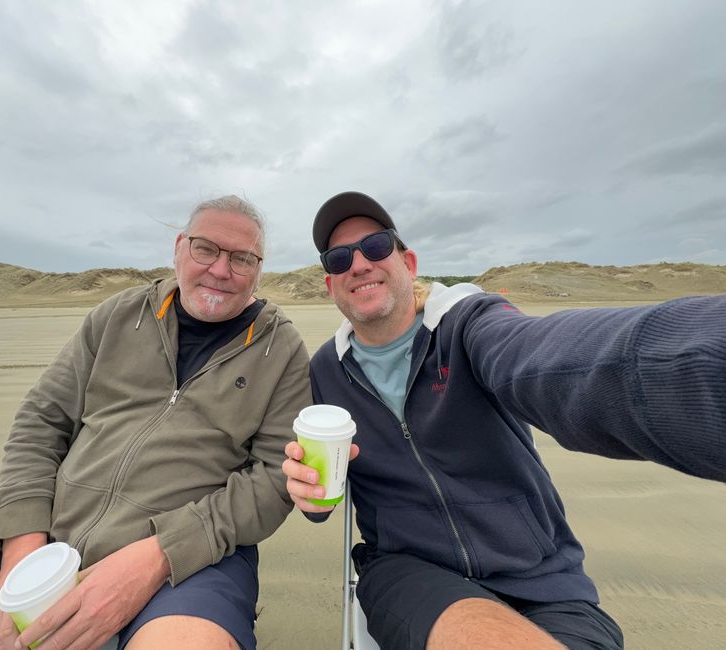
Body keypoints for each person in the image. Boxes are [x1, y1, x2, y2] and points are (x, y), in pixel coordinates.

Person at [0, 195, 312, 650]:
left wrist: (158, 555)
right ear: (179, 247)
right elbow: (41, 421)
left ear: (259, 269)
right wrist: (22, 550)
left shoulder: (283, 348)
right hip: (47, 530)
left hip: (192, 559)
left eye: (241, 258)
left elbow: (274, 478)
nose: (220, 269)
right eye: (206, 249)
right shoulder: (118, 315)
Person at [283, 191, 726, 650]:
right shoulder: (325, 372)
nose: (358, 264)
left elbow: (549, 361)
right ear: (330, 285)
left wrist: (699, 369)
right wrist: (313, 499)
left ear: (408, 262)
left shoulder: (469, 325)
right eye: (339, 259)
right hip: (408, 570)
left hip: (542, 577)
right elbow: (322, 494)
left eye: (375, 247)